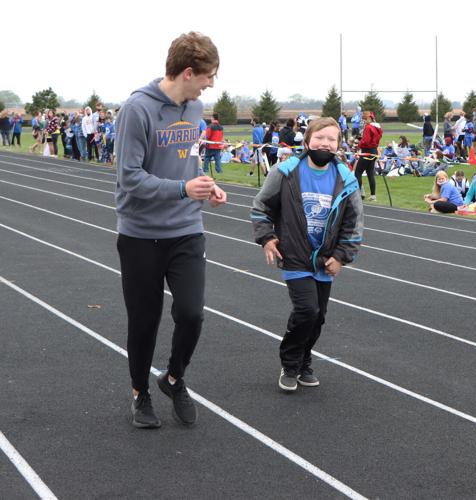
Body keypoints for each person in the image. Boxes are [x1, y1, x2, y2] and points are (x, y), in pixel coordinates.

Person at [115, 31, 226, 429]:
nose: (212, 84)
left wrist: (206, 186)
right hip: (141, 234)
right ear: (188, 72)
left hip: (186, 229)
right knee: (144, 321)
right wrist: (182, 189)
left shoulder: (195, 111)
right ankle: (139, 393)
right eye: (208, 76)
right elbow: (129, 178)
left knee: (192, 313)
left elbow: (188, 164)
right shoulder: (137, 109)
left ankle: (174, 378)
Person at [250, 117, 363, 391]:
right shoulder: (286, 171)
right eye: (320, 137)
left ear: (338, 144)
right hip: (295, 254)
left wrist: (342, 256)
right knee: (307, 310)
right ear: (308, 139)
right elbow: (261, 206)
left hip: (325, 259)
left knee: (318, 316)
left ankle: (304, 360)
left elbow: (354, 222)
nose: (325, 143)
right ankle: (290, 363)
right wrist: (267, 238)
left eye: (331, 139)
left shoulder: (346, 180)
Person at [355, 111, 383, 201]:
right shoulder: (378, 128)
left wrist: (359, 144)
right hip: (374, 151)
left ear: (370, 118)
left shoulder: (368, 127)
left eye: (365, 119)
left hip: (367, 151)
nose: (364, 121)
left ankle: (358, 195)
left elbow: (366, 141)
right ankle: (373, 195)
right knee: (370, 173)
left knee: (357, 173)